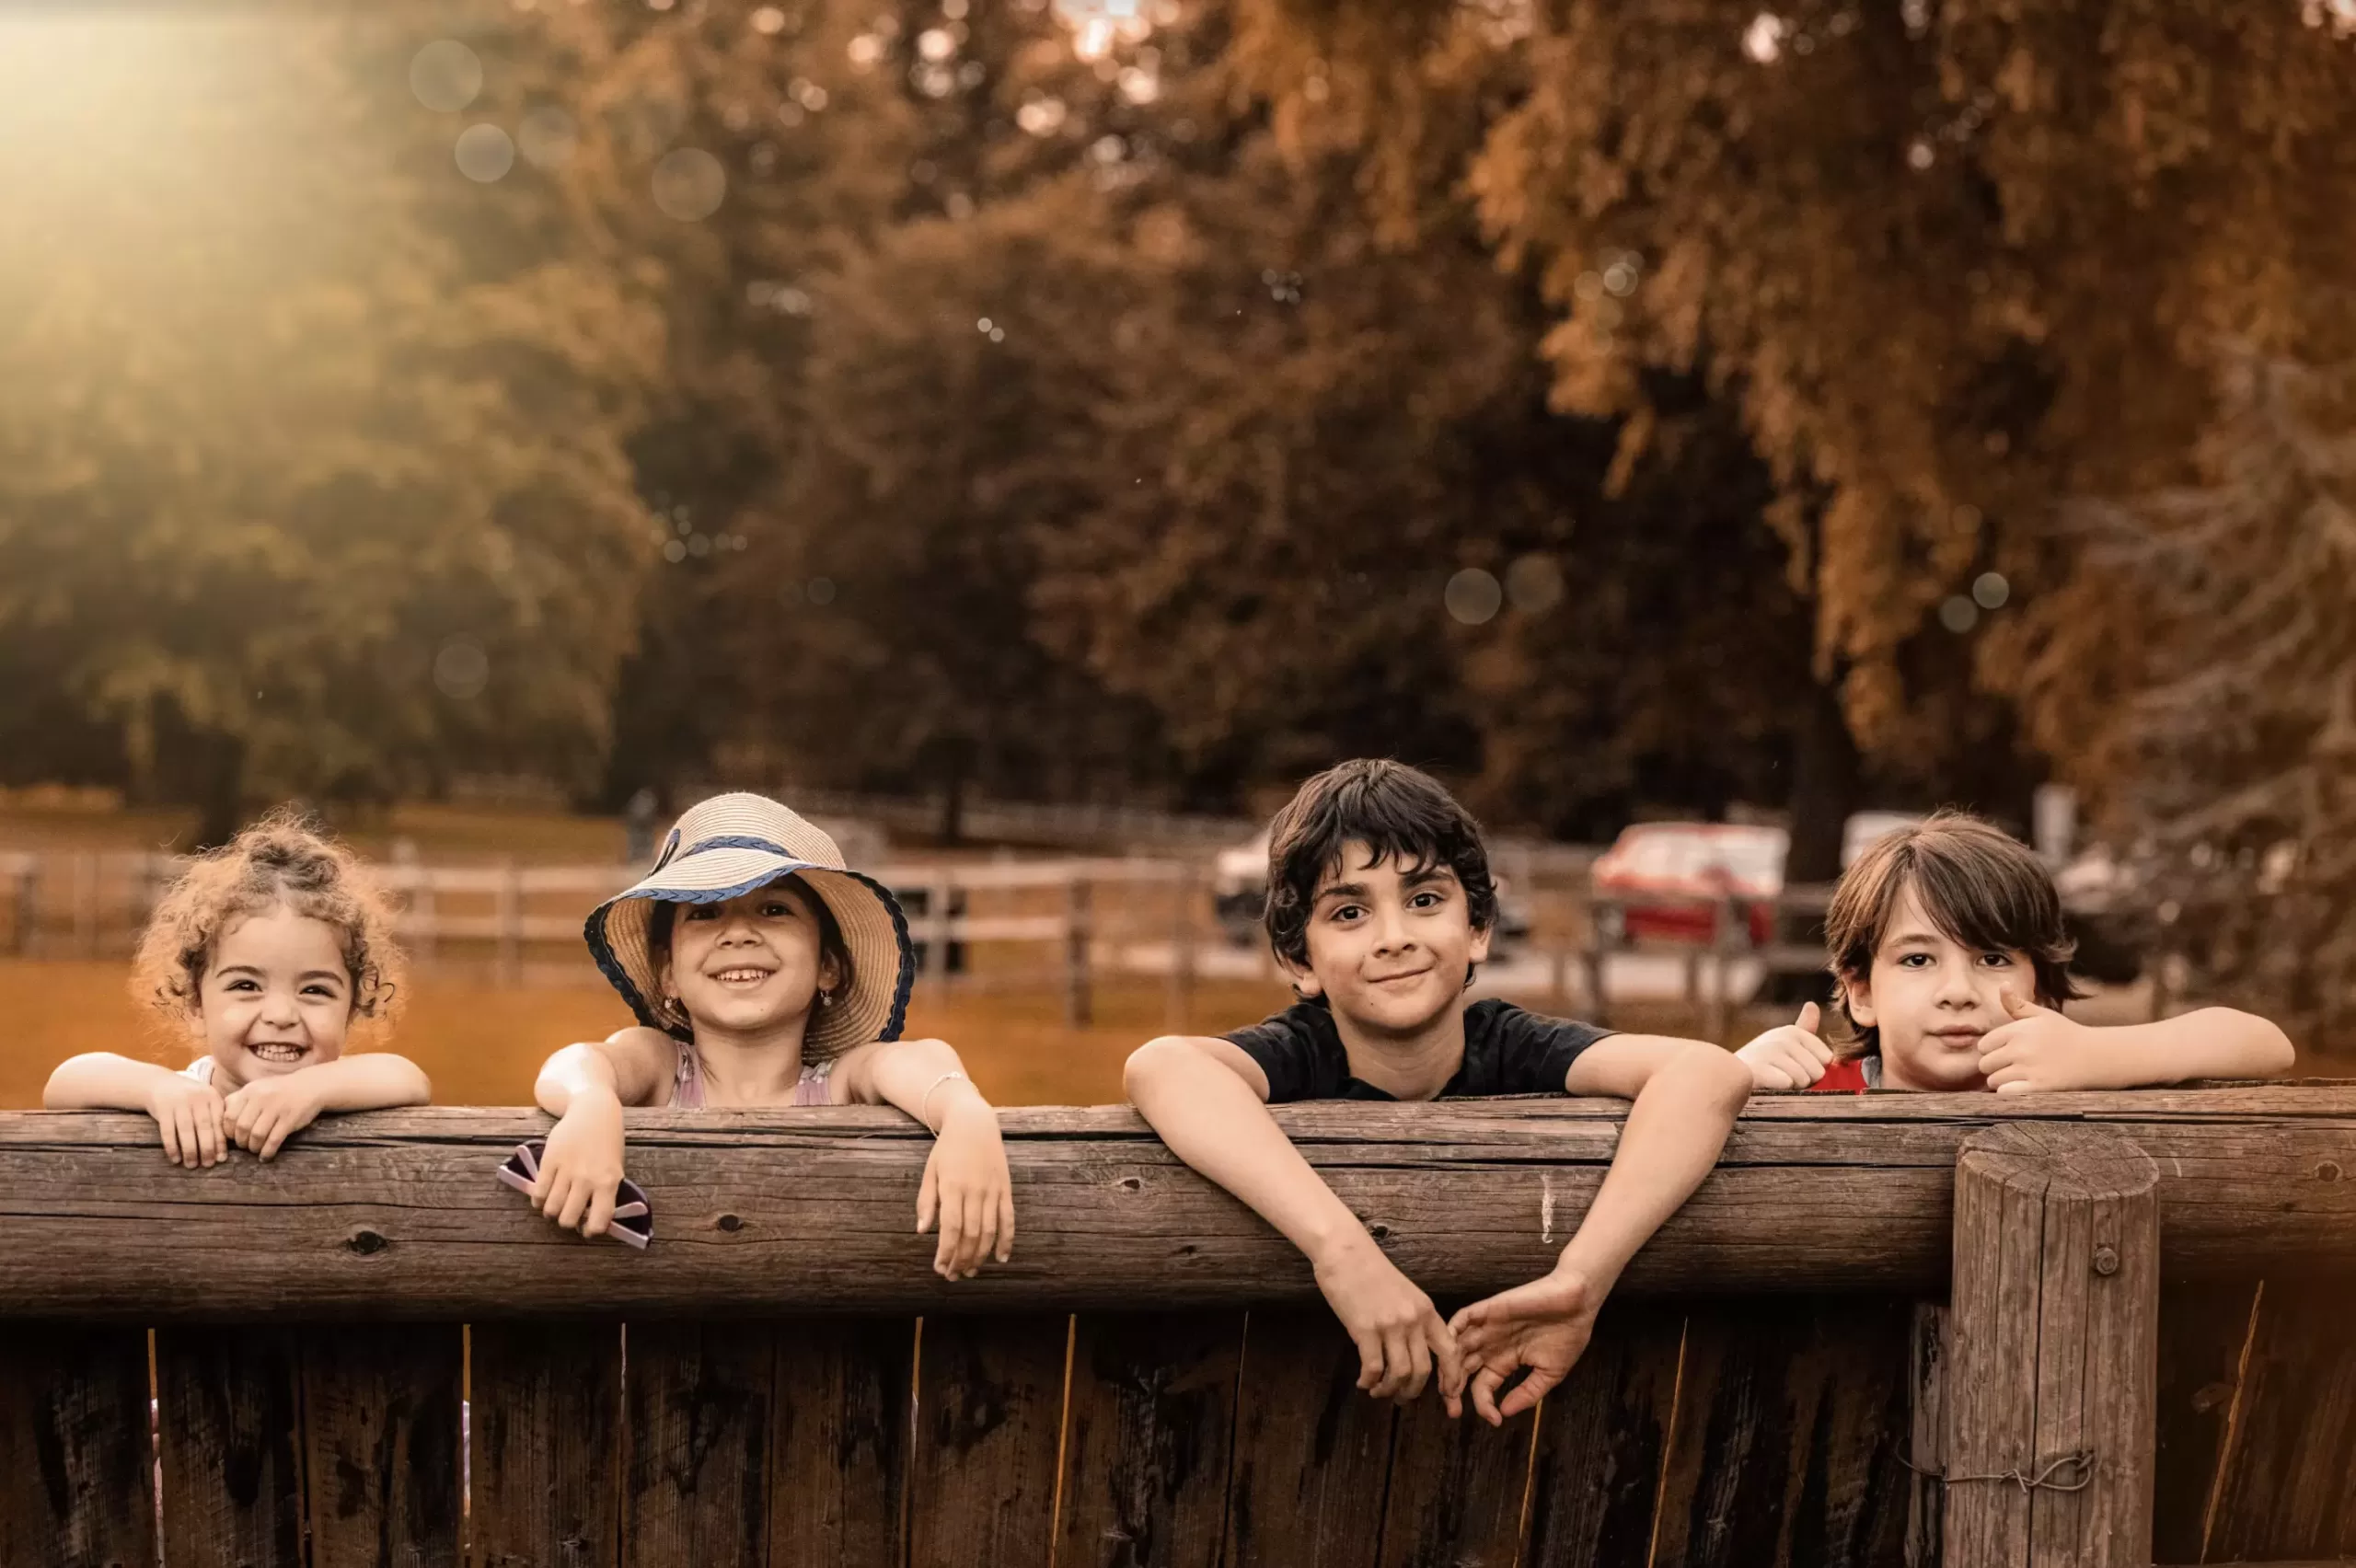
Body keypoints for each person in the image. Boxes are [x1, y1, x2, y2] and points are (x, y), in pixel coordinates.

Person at [1125, 760, 1752, 1426]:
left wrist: (1581, 1281)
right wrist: (1342, 1254)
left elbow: (1706, 1074)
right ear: (1300, 961)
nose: (1395, 938)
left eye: (1424, 900)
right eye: (1349, 912)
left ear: (1478, 927)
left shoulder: (1512, 1044)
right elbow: (1163, 1067)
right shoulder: (1301, 1052)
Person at [529, 792, 1016, 1279]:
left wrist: (964, 1112)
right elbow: (576, 1063)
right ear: (668, 974)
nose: (738, 932)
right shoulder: (660, 1067)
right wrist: (592, 1103)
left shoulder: (840, 1084)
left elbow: (919, 1058)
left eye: (774, 909)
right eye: (704, 912)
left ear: (828, 966)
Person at [1737, 810, 2296, 1093]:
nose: (1957, 992)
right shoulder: (1823, 1090)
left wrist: (2100, 1058)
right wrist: (1731, 1079)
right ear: (1861, 993)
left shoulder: (2070, 1076)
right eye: (1917, 960)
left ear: (2041, 984)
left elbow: (2267, 1045)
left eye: (1993, 959)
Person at [45, 813, 432, 1166]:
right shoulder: (189, 1093)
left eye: (314, 990)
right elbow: (65, 1082)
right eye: (246, 985)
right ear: (196, 1003)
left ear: (351, 1008)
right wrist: (158, 1088)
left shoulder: (342, 1091)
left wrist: (312, 1090)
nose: (281, 1015)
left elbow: (409, 1079)